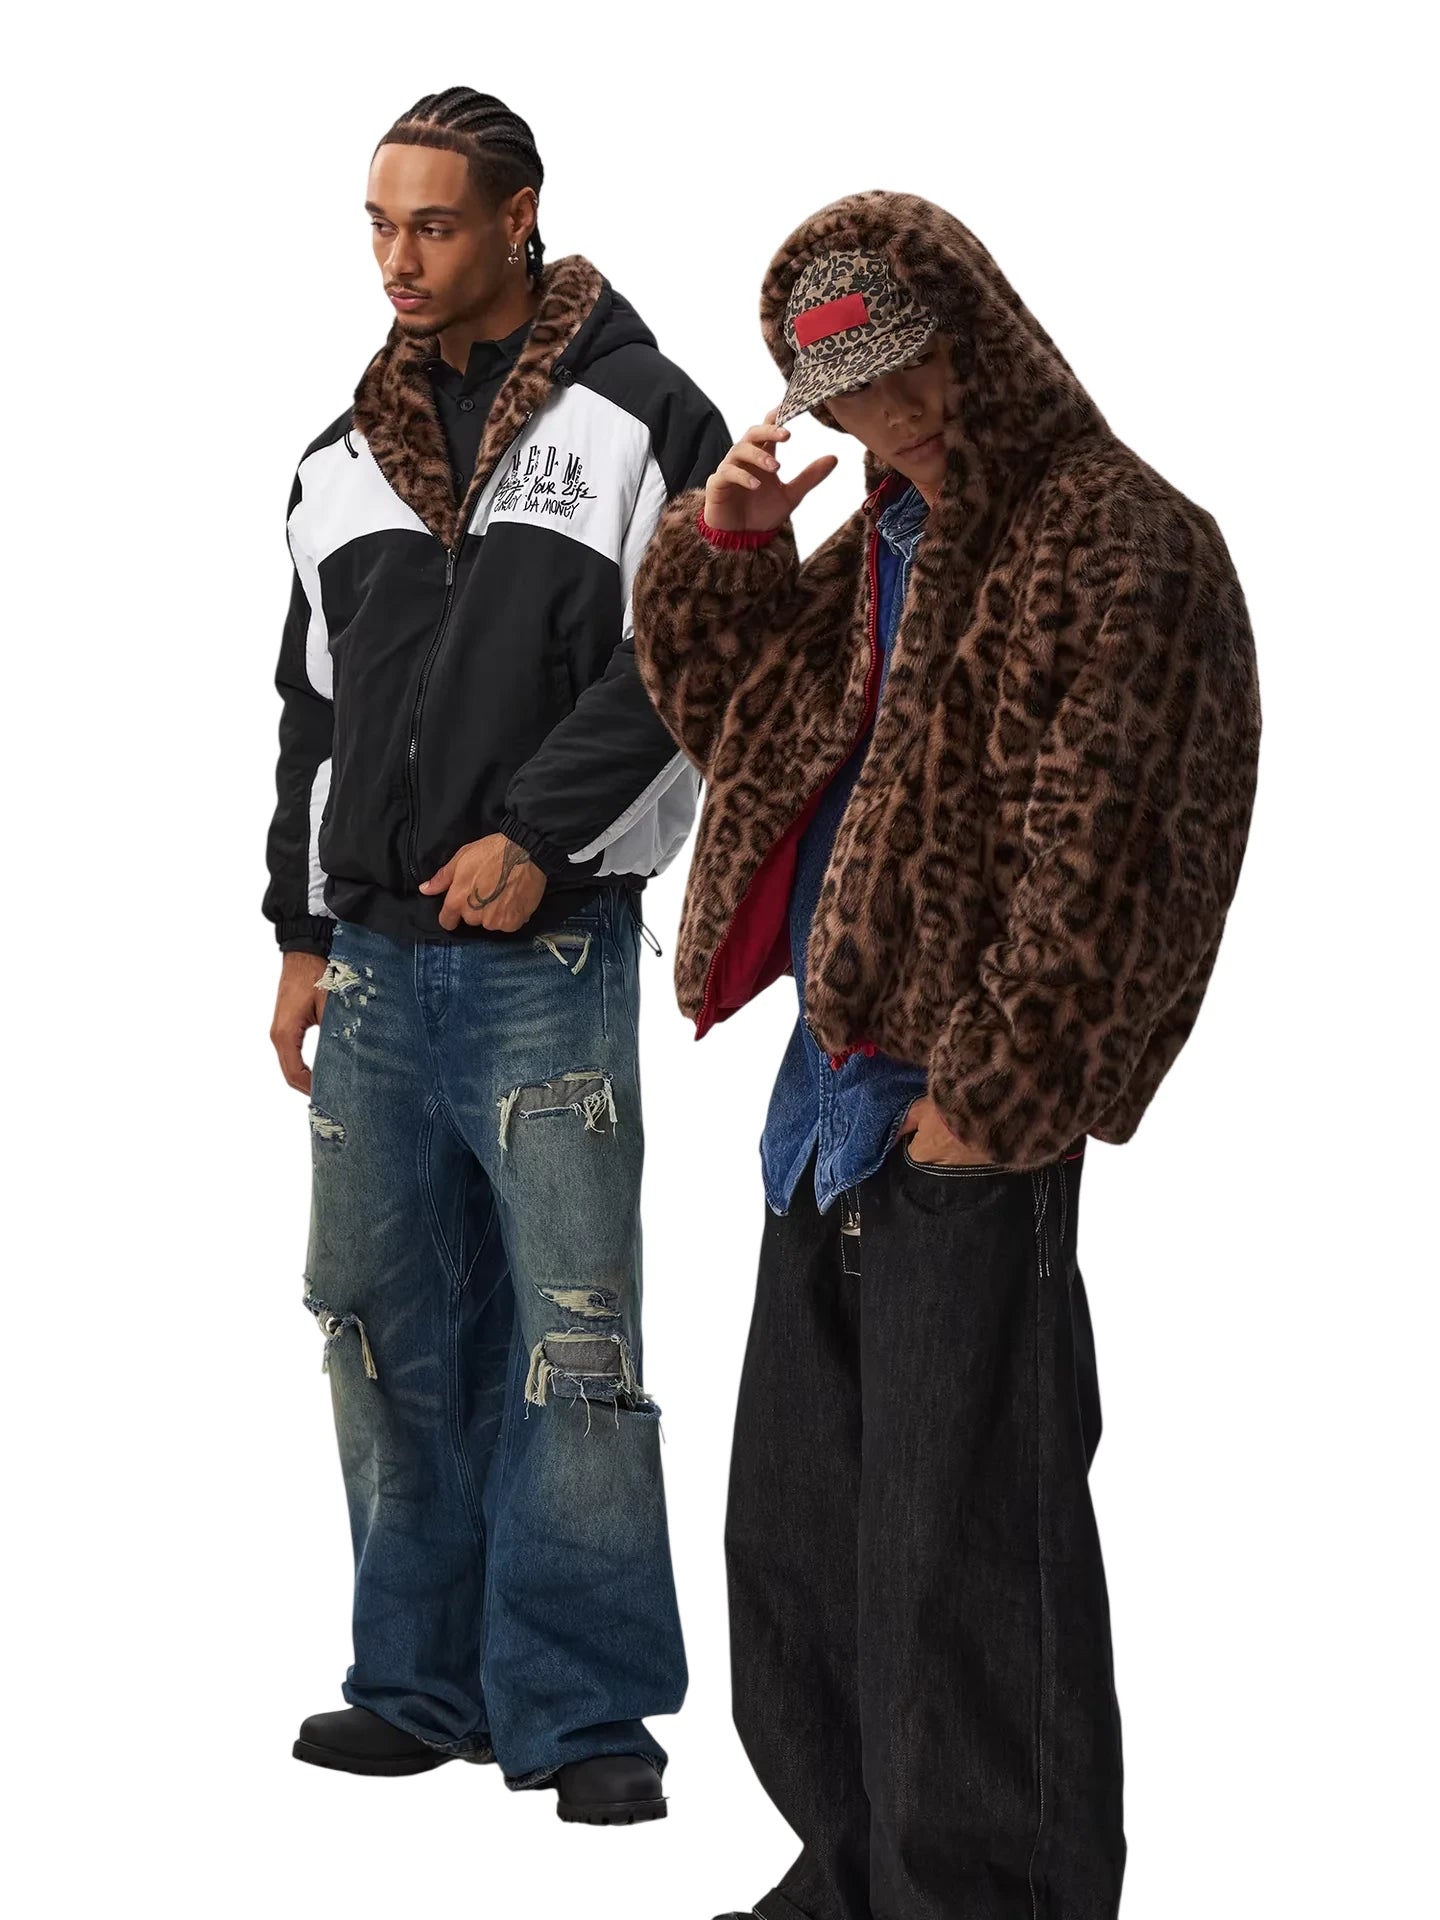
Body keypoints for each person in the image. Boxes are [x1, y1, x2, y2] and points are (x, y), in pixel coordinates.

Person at [632, 193, 1260, 1916]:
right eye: (842, 395)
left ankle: (985, 1902)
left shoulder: (1118, 536)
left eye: (906, 374)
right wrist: (727, 550)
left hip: (963, 1109)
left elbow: (1121, 846)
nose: (881, 417)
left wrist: (995, 1101)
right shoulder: (888, 536)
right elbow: (747, 735)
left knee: (967, 1554)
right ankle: (851, 1882)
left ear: (980, 335)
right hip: (827, 1101)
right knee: (799, 1546)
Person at [262, 86, 729, 1821]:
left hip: (548, 961)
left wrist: (538, 836)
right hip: (376, 973)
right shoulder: (339, 458)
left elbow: (693, 658)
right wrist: (298, 933)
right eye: (379, 226)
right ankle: (421, 1683)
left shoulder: (644, 419)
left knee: (573, 1339)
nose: (397, 258)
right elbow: (312, 714)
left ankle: (585, 1713)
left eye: (435, 225)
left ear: (521, 216)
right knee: (379, 1325)